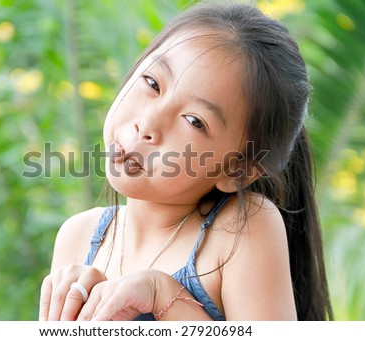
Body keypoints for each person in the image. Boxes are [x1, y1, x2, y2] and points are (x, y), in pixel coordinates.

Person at [39, 2, 333, 321]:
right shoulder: (78, 237)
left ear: (238, 170)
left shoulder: (238, 231)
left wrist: (163, 295)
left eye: (194, 121)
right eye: (152, 83)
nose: (148, 123)